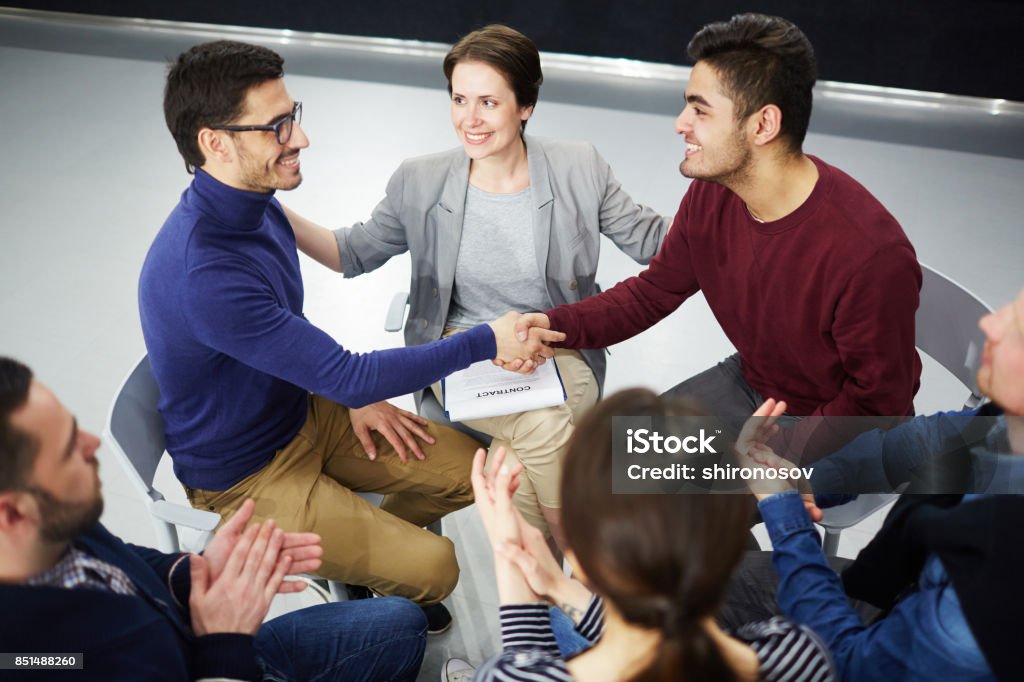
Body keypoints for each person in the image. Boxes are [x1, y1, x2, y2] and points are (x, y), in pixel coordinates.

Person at [139, 39, 561, 630]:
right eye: (278, 127)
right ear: (215, 142)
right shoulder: (204, 273)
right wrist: (486, 340)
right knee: (438, 567)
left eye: (296, 116)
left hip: (303, 412)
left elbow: (295, 335)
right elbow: (349, 370)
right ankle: (383, 566)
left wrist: (348, 395)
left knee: (476, 470)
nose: (300, 139)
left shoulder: (257, 207)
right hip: (248, 476)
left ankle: (373, 544)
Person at [285, 24, 670, 552]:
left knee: (517, 460)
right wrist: (274, 212)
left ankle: (537, 595)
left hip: (556, 341)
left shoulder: (579, 166)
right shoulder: (420, 180)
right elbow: (353, 252)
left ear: (525, 105)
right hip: (459, 346)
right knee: (545, 434)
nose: (470, 119)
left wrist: (735, 207)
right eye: (460, 99)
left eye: (488, 102)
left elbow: (654, 242)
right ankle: (584, 569)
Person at [512, 13, 922, 460]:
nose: (680, 123)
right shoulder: (713, 196)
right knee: (608, 467)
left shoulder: (870, 255)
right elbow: (653, 293)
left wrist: (768, 455)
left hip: (846, 433)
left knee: (667, 509)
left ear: (763, 125)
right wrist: (556, 326)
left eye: (700, 109)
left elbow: (878, 404)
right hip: (755, 384)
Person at [0, 357, 428, 682]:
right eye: (68, 448)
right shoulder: (33, 657)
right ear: (12, 512)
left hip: (220, 647)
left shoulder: (57, 521)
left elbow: (123, 562)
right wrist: (223, 643)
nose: (93, 443)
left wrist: (194, 569)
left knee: (405, 624)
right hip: (219, 661)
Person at [725, 288, 1024, 681]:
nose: (990, 323)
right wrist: (798, 481)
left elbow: (849, 666)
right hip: (900, 593)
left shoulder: (987, 606)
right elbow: (903, 449)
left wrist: (784, 513)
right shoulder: (1000, 427)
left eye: (1019, 329)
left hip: (883, 651)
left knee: (693, 593)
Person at [446, 389, 835, 681]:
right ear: (733, 550)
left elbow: (526, 666)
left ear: (577, 556)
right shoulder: (799, 656)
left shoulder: (508, 677)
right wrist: (780, 505)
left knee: (560, 624)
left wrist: (509, 554)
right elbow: (811, 604)